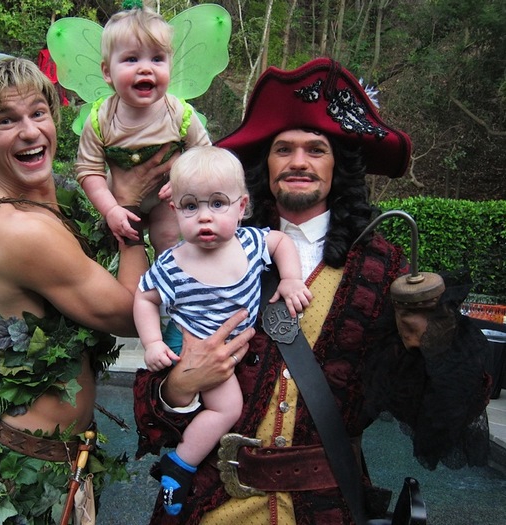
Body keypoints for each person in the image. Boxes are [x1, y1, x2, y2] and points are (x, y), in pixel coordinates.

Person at [133, 57, 492, 524]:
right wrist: (180, 385)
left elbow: (425, 407)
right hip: (212, 503)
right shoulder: (200, 253)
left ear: (338, 163)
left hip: (327, 507)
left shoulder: (384, 268)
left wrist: (437, 344)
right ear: (264, 165)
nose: (298, 162)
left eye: (316, 149)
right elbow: (156, 406)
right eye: (283, 149)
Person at [0, 37, 172, 525]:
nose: (30, 131)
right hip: (33, 477)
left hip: (59, 461)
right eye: (6, 121)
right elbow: (128, 314)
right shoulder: (21, 231)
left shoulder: (44, 209)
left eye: (38, 113)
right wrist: (128, 210)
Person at [134, 145, 312, 515]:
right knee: (228, 408)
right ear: (174, 210)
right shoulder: (172, 264)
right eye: (191, 206)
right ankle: (180, 464)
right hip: (200, 351)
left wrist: (291, 278)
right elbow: (145, 297)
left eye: (217, 203)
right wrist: (151, 342)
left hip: (240, 348)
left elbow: (281, 241)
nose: (205, 217)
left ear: (241, 206)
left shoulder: (249, 242)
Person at [75, 6, 211, 254]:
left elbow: (205, 155)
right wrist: (110, 209)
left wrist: (184, 182)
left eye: (157, 58)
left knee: (166, 237)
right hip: (120, 198)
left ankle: (168, 273)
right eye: (131, 59)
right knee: (123, 243)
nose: (146, 68)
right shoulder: (100, 119)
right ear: (107, 72)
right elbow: (88, 170)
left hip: (164, 197)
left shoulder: (179, 113)